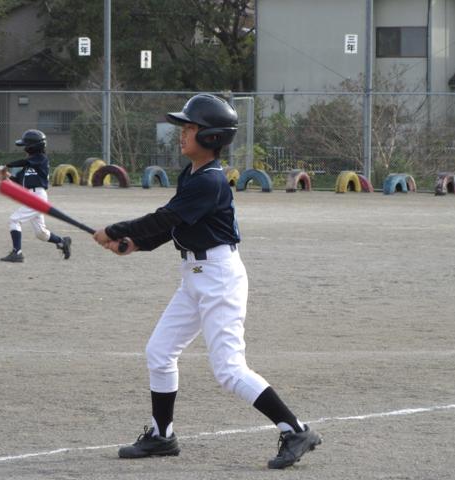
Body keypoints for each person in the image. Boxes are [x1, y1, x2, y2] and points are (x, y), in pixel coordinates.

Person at [93, 94, 321, 469]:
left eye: (190, 128)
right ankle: (162, 436)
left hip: (219, 278)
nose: (182, 134)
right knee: (159, 352)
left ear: (211, 137)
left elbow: (166, 217)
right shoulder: (192, 175)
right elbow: (176, 225)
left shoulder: (210, 181)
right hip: (195, 277)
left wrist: (116, 230)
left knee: (229, 369)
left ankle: (296, 430)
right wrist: (136, 244)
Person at [0, 129, 71, 263]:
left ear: (33, 147)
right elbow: (18, 181)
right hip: (31, 196)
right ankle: (62, 242)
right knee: (41, 233)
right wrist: (6, 176)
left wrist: (7, 165)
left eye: (26, 145)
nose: (24, 149)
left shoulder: (41, 159)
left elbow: (25, 162)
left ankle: (17, 252)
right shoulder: (29, 165)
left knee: (14, 220)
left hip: (37, 196)